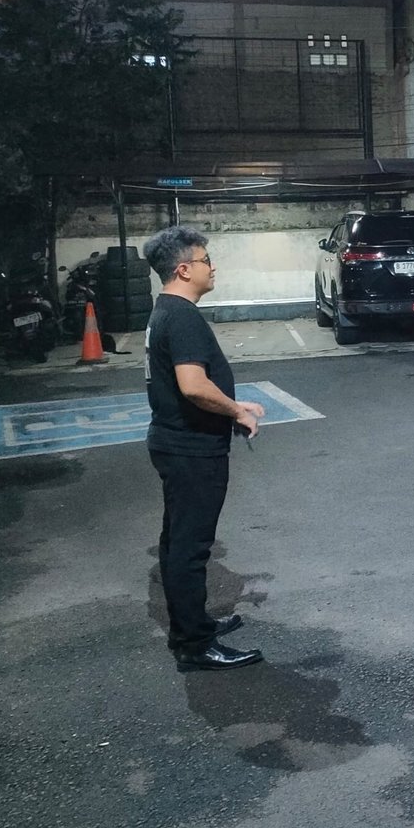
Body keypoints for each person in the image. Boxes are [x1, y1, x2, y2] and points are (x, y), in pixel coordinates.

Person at [141, 226, 266, 673]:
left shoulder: (166, 311)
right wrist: (236, 411)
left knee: (178, 542)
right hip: (191, 449)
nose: (212, 267)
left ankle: (192, 625)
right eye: (205, 260)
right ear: (183, 269)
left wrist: (232, 404)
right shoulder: (182, 317)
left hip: (176, 443)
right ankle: (194, 645)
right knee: (190, 548)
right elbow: (193, 386)